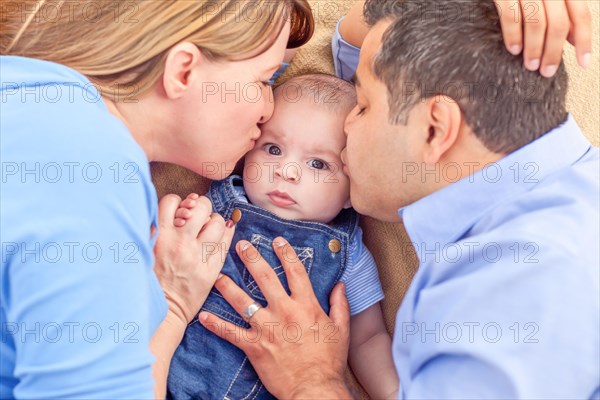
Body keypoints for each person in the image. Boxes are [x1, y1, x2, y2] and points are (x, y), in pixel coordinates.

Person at [199, 0, 599, 399]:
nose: (346, 129)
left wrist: (311, 381)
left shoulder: (517, 291)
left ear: (435, 130)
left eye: (363, 106)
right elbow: (365, 36)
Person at [0, 1, 313, 398]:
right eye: (266, 80)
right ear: (183, 70)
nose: (271, 109)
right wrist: (173, 304)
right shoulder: (88, 161)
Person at [167, 74, 398, 399]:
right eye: (273, 149)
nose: (286, 171)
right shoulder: (217, 209)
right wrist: (186, 222)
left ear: (353, 190)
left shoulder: (349, 254)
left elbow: (367, 338)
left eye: (318, 163)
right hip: (171, 379)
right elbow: (171, 264)